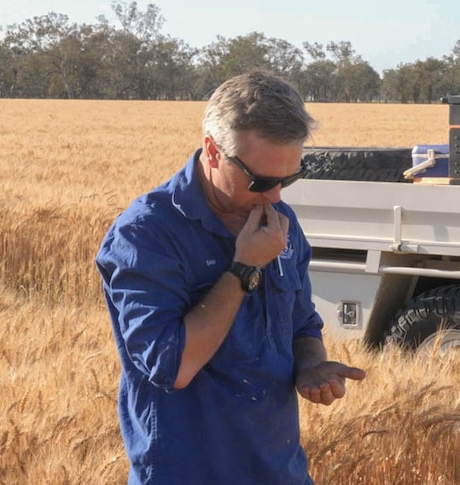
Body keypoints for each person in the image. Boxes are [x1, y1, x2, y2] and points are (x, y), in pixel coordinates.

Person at [96, 69, 366, 485]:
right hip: (185, 474)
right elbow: (174, 367)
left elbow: (300, 321)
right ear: (213, 150)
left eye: (288, 179)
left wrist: (310, 365)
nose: (275, 196)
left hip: (280, 471)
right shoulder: (145, 234)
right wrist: (243, 267)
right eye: (260, 180)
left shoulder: (280, 221)